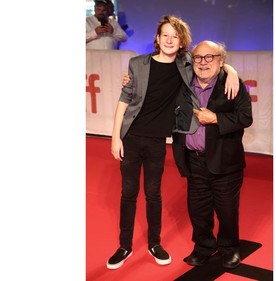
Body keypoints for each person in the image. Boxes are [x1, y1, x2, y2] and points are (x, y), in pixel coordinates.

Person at [107, 16, 240, 270]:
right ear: (157, 39)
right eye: (165, 35)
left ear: (181, 42)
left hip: (158, 140)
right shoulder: (137, 64)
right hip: (131, 137)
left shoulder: (186, 63)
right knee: (129, 193)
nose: (169, 40)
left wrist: (230, 70)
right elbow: (124, 100)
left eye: (174, 36)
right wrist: (115, 137)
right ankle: (124, 246)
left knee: (154, 193)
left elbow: (211, 60)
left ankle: (154, 243)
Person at [171, 40, 253, 269]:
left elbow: (245, 118)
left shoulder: (232, 84)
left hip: (225, 163)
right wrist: (130, 82)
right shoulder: (183, 84)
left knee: (227, 211)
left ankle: (229, 248)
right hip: (194, 161)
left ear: (221, 60)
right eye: (198, 57)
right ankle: (203, 247)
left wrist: (216, 118)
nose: (203, 62)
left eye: (210, 57)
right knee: (198, 210)